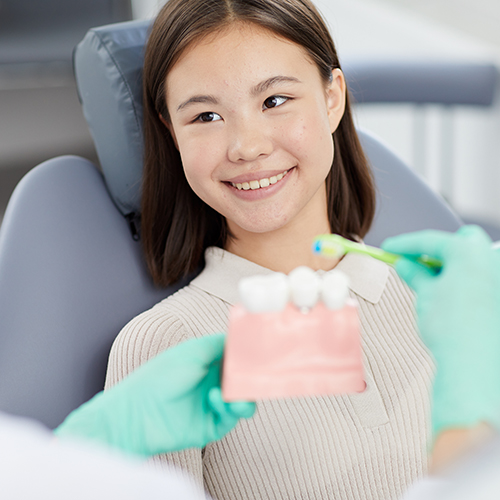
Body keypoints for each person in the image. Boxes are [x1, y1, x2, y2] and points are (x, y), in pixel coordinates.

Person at [105, 1, 434, 499]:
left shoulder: (433, 291)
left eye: (275, 101)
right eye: (206, 115)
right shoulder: (165, 346)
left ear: (331, 99)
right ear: (172, 132)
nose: (246, 145)